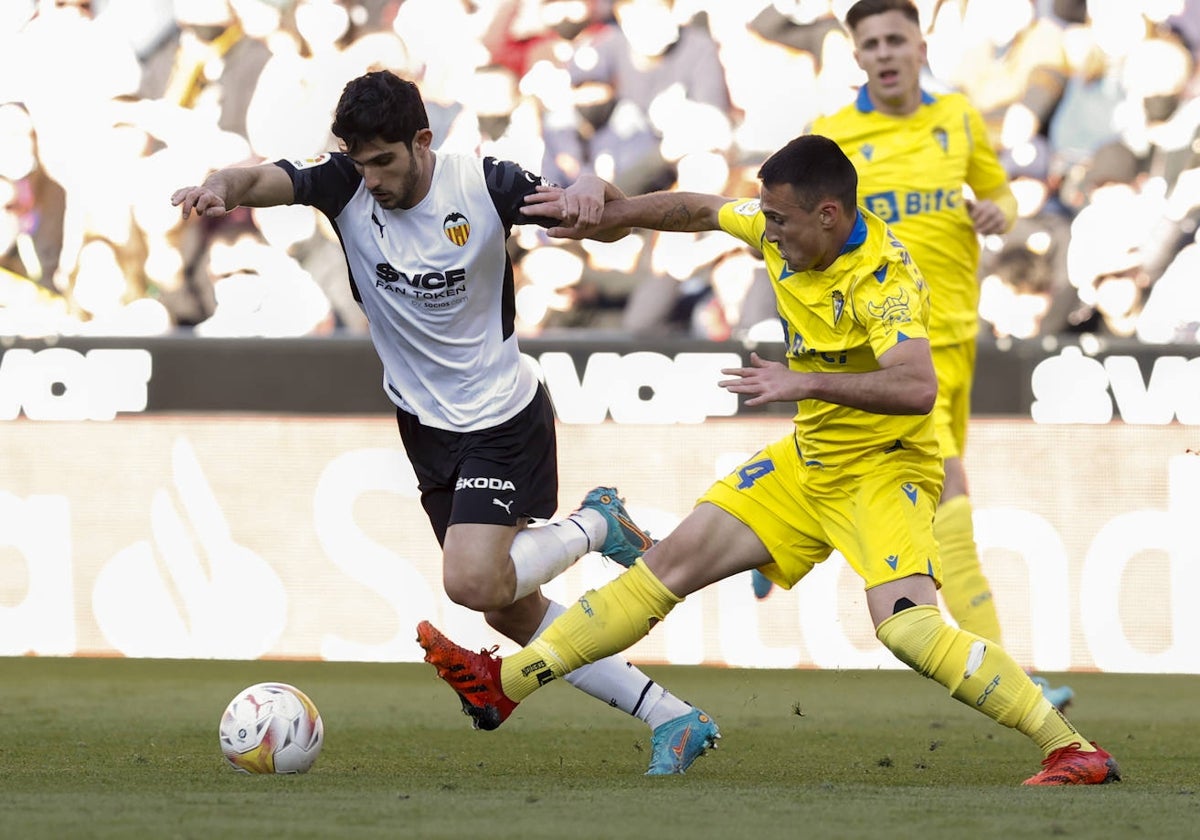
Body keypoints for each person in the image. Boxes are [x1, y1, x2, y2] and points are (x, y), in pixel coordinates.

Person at [417, 133, 1121, 786]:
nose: (769, 233)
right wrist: (618, 212)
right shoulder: (783, 228)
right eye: (767, 218)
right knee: (667, 567)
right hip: (807, 463)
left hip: (884, 469)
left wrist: (801, 381)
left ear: (828, 214)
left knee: (906, 626)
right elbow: (698, 210)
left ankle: (1071, 748)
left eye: (781, 221)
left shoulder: (885, 280)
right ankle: (503, 687)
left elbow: (917, 386)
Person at [170, 69, 716, 775]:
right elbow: (254, 179)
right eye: (360, 163)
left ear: (422, 141)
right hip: (426, 430)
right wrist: (219, 186)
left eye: (384, 162)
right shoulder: (342, 185)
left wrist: (598, 194)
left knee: (471, 584)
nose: (370, 179)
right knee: (511, 612)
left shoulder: (486, 185)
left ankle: (594, 524)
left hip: (502, 417)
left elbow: (605, 222)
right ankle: (673, 718)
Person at [747, 0, 1074, 709]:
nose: (887, 53)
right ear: (856, 55)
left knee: (922, 483)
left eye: (898, 38)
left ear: (922, 44)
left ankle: (772, 549)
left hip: (956, 333)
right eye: (873, 43)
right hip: (880, 350)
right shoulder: (832, 137)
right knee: (951, 492)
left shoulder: (957, 117)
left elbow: (1001, 192)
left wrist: (1001, 213)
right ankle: (1015, 672)